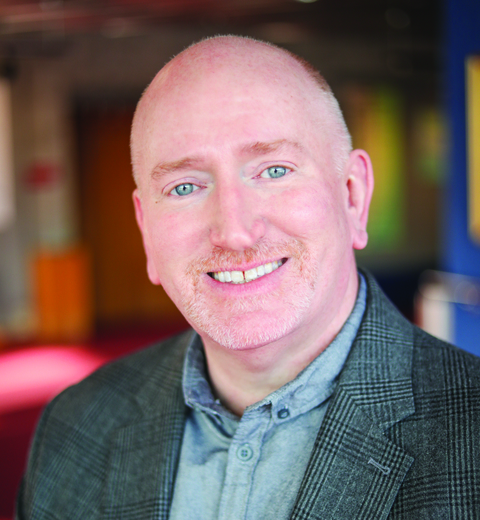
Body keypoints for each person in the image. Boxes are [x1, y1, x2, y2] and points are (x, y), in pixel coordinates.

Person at [17, 36, 480, 520]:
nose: (234, 233)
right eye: (185, 186)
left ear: (353, 196)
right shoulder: (75, 426)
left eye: (274, 170)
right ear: (146, 230)